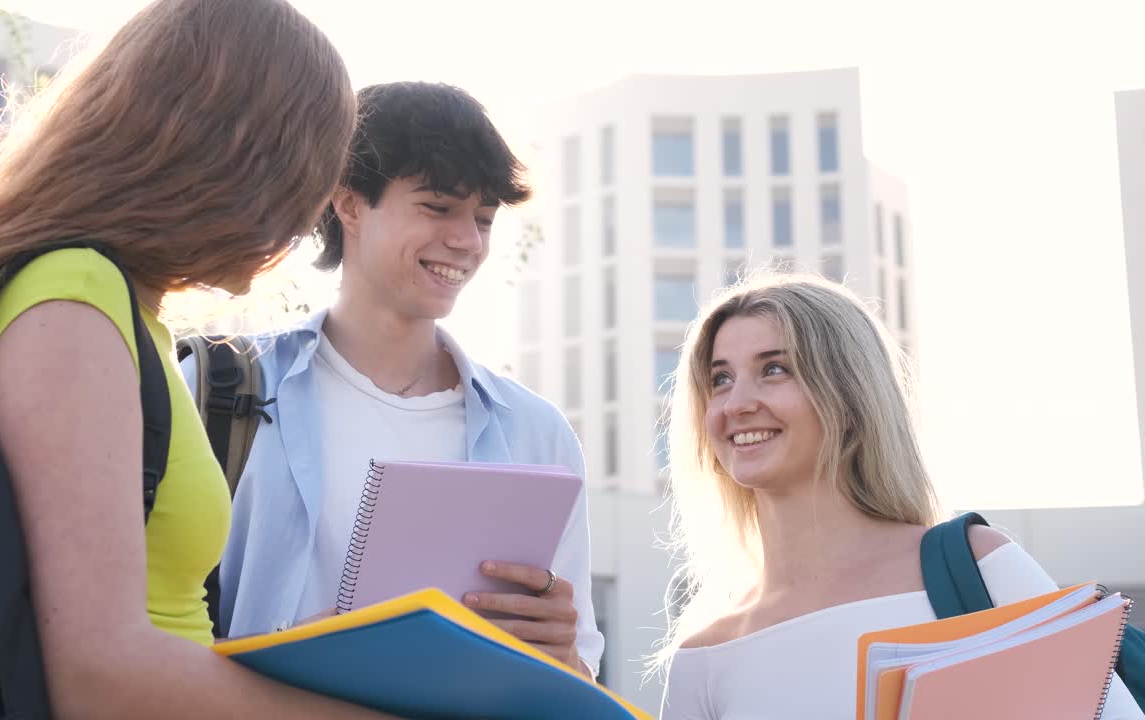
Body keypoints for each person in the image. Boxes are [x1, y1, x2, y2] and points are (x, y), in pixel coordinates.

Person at [0, 1, 403, 717]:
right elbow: (99, 676)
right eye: (309, 174)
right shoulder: (74, 300)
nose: (307, 220)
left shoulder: (114, 310)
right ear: (243, 156)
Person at [188, 81, 605, 677]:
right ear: (349, 203)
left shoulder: (537, 434)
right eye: (438, 208)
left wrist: (561, 652)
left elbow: (579, 684)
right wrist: (311, 653)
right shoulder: (217, 389)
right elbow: (145, 643)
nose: (466, 241)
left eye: (483, 219)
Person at [655, 273, 1143, 719]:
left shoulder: (974, 565)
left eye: (775, 369)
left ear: (849, 394)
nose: (736, 404)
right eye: (720, 379)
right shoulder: (704, 656)